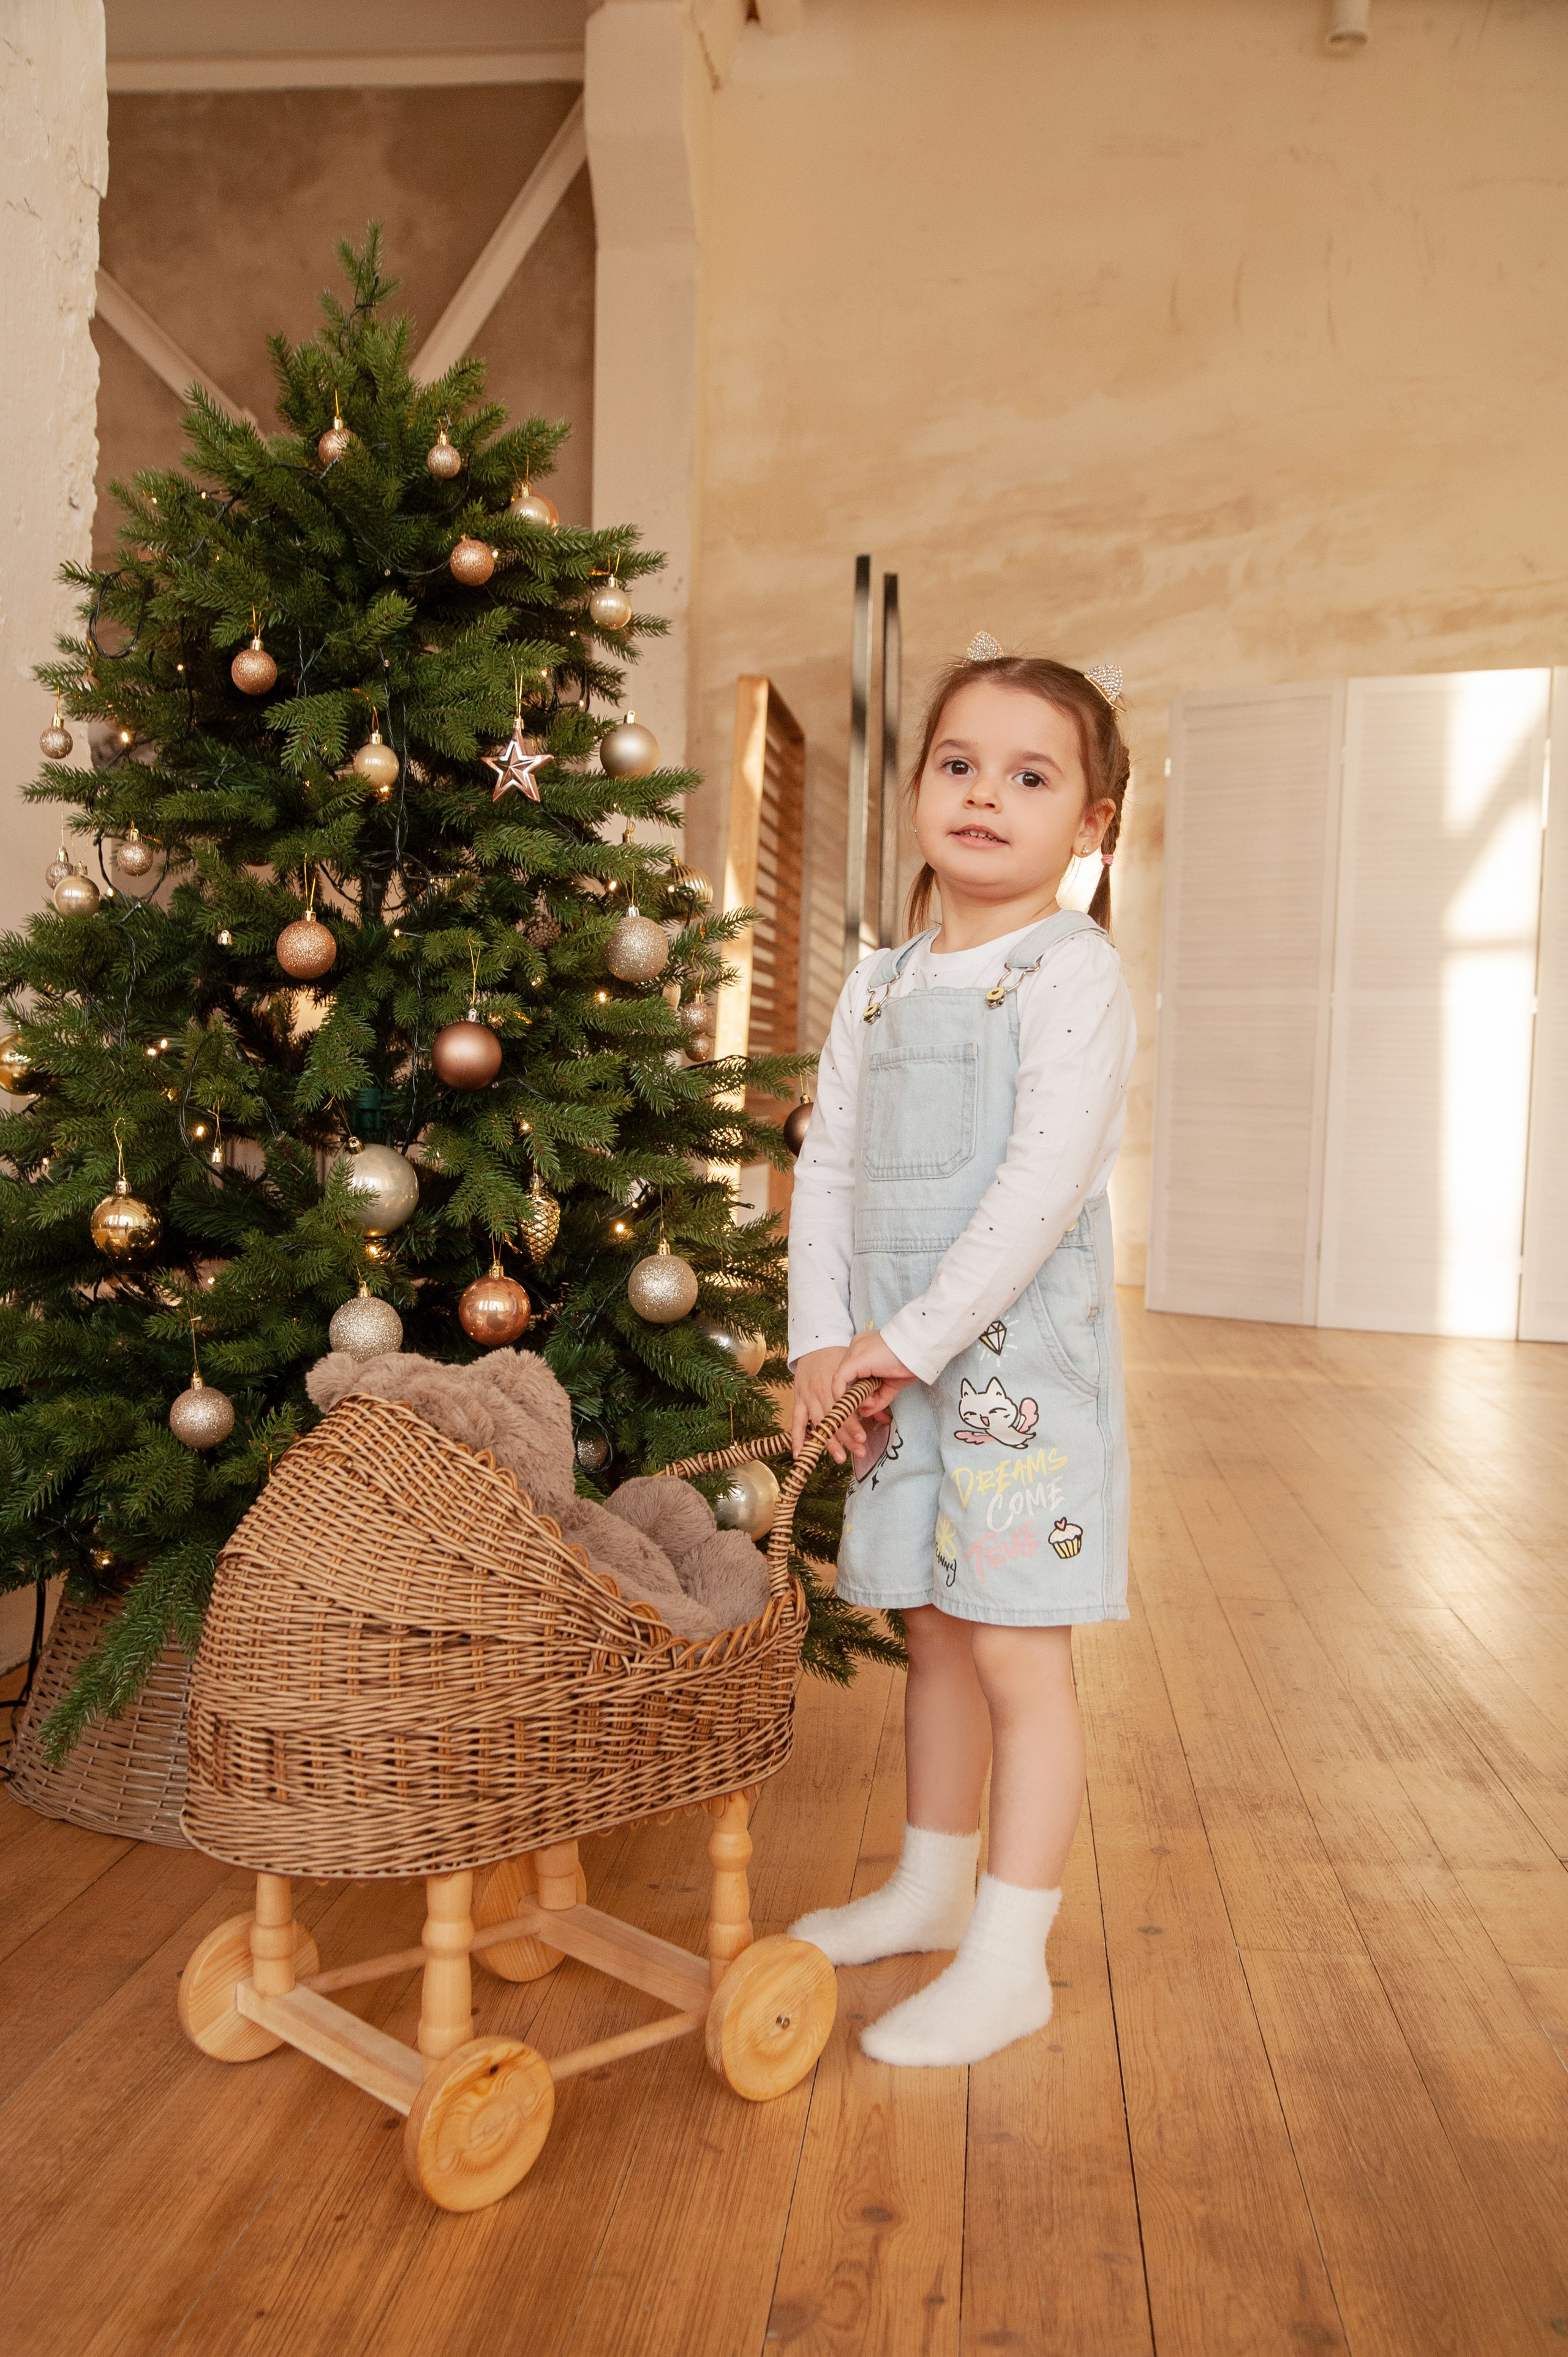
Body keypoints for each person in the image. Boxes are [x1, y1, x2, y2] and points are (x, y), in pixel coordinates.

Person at [785, 643, 1135, 2067]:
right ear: (918, 786)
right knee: (925, 1625)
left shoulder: (1070, 973)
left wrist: (904, 1339)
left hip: (1011, 1380)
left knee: (1009, 1644)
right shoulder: (875, 985)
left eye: (1030, 775)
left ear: (1089, 824)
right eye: (957, 764)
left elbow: (1035, 1191)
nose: (985, 795)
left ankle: (1011, 1953)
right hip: (884, 1364)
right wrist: (821, 1341)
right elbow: (825, 1167)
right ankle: (929, 1887)